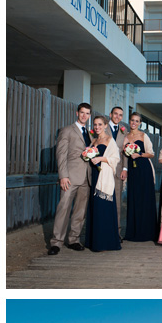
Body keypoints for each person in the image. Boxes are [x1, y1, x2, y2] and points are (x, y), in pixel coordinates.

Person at [49, 103, 93, 255]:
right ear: (77, 113)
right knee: (63, 208)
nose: (84, 116)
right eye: (82, 113)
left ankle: (74, 239)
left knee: (80, 211)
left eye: (87, 113)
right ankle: (56, 242)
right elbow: (61, 154)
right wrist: (63, 176)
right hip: (70, 177)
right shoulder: (67, 130)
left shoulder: (90, 134)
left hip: (86, 178)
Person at [84, 116, 121, 252]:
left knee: (103, 207)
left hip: (104, 178)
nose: (97, 127)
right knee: (95, 208)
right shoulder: (93, 140)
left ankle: (105, 242)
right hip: (94, 175)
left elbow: (115, 158)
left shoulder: (110, 140)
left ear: (106, 125)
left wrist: (101, 158)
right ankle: (94, 241)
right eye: (95, 124)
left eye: (100, 124)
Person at [123, 112, 158, 242]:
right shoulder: (125, 136)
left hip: (144, 170)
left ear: (140, 123)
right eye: (132, 120)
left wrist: (139, 155)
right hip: (132, 171)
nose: (134, 123)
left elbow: (152, 154)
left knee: (145, 199)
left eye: (137, 121)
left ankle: (147, 232)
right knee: (133, 199)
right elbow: (123, 155)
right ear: (129, 121)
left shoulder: (144, 136)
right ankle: (133, 231)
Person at [108, 106, 127, 229]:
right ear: (110, 114)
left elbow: (125, 151)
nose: (118, 117)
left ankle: (117, 231)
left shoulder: (124, 131)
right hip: (104, 169)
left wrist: (125, 168)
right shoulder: (103, 128)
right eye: (116, 114)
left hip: (119, 170)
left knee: (118, 202)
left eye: (120, 115)